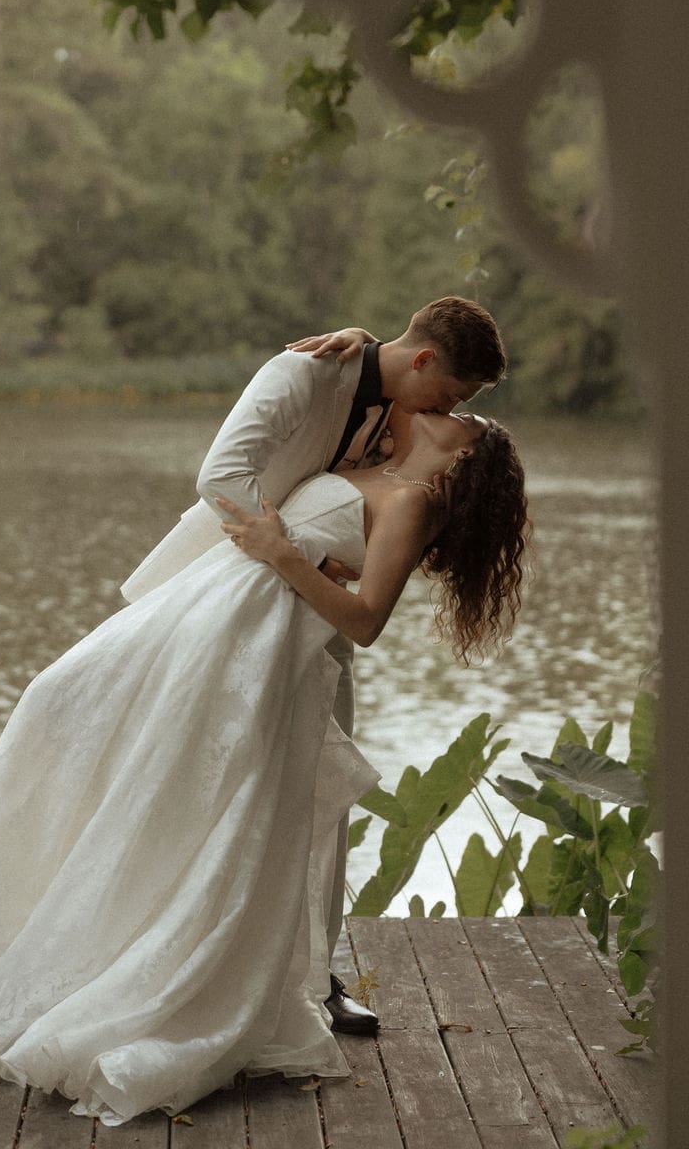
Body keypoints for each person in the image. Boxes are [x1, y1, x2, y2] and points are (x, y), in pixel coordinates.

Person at [0, 414, 528, 1129]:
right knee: (71, 713)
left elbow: (364, 621)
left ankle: (176, 989)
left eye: (467, 417)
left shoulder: (413, 500)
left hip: (259, 646)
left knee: (212, 813)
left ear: (467, 454)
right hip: (206, 615)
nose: (452, 409)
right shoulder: (371, 450)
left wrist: (283, 553)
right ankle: (67, 933)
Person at [119, 295, 507, 1034]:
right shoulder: (308, 374)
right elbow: (221, 479)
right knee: (205, 782)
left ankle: (314, 977)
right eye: (452, 396)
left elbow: (383, 528)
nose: (450, 410)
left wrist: (303, 557)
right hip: (232, 598)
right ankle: (170, 953)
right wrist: (279, 548)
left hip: (315, 626)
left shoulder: (401, 429)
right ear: (424, 361)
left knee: (320, 802)